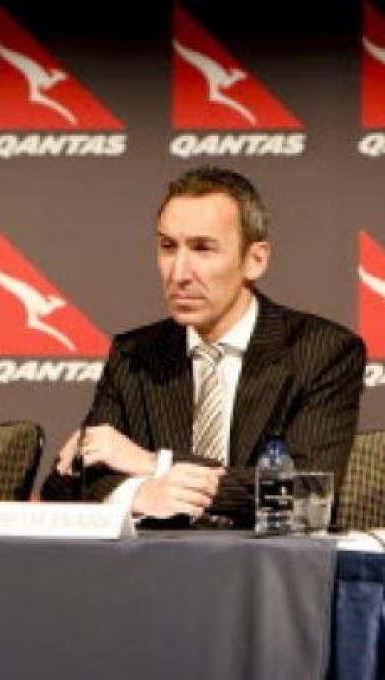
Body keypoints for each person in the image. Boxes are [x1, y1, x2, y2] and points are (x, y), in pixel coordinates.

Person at [42, 165, 366, 528]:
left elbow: (306, 495)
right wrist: (138, 494)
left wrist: (157, 464)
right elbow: (63, 487)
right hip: (154, 572)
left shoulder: (321, 350)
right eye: (168, 247)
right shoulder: (135, 354)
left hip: (265, 572)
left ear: (255, 260)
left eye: (202, 249)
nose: (178, 273)